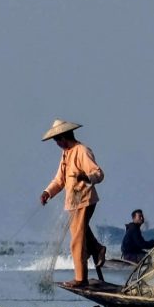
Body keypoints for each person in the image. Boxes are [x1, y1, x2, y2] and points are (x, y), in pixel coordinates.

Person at [39, 120, 106, 286]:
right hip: (73, 203)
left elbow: (98, 174)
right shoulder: (66, 154)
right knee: (81, 232)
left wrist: (86, 177)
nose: (57, 144)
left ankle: (80, 278)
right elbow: (59, 180)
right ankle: (97, 249)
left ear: (63, 137)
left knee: (76, 240)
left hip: (84, 200)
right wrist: (47, 192)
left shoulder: (82, 151)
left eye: (57, 140)